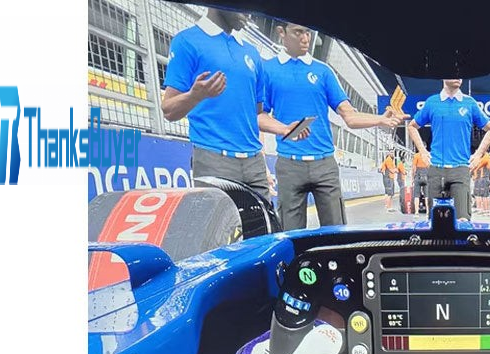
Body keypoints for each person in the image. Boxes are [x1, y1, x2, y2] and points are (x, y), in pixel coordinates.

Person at [260, 22, 403, 229]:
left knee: (336, 231)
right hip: (289, 165)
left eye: (308, 32)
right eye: (298, 32)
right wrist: (283, 129)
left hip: (325, 165)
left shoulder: (323, 71)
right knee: (290, 235)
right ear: (281, 32)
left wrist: (381, 119)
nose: (305, 38)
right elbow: (259, 116)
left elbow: (349, 117)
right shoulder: (267, 70)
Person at [162, 8, 303, 201]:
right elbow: (169, 110)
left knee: (264, 221)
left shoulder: (251, 53)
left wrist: (284, 129)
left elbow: (256, 115)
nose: (250, 12)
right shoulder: (186, 41)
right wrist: (195, 96)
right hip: (213, 161)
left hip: (254, 164)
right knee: (221, 222)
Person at [407, 79, 490, 222]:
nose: (458, 77)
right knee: (434, 221)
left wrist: (478, 154)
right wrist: (422, 151)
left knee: (463, 219)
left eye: (460, 74)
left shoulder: (469, 103)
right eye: (453, 73)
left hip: (460, 170)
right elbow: (412, 126)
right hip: (436, 169)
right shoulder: (432, 102)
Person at [471, 148, 490, 216]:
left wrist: (473, 160)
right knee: (478, 195)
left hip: (484, 178)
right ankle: (479, 209)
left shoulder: (486, 156)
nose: (476, 152)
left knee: (484, 195)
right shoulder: (481, 157)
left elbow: (477, 165)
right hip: (478, 178)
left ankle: (486, 211)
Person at [411, 148, 429, 213]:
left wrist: (412, 178)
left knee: (416, 195)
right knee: (427, 195)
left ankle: (416, 212)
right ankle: (428, 211)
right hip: (426, 177)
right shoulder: (428, 156)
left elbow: (414, 168)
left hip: (418, 176)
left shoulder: (416, 155)